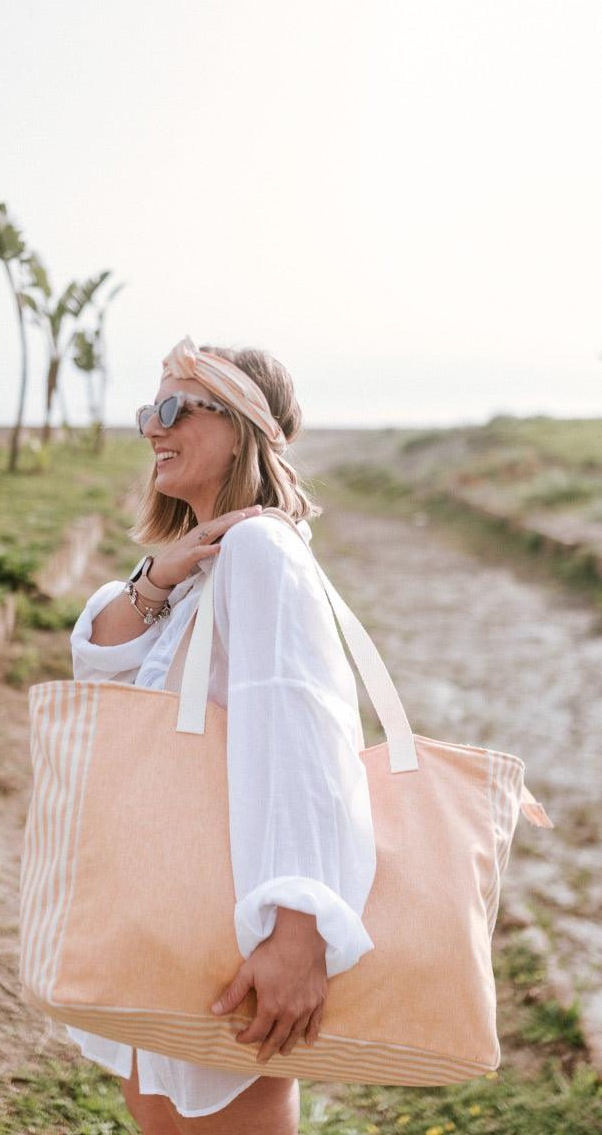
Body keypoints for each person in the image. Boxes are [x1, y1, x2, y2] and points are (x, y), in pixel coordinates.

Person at [62, 336, 377, 1133]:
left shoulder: (262, 552)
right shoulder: (208, 561)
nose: (152, 427)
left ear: (238, 429)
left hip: (233, 915)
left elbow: (301, 735)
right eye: (148, 409)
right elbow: (99, 667)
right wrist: (157, 574)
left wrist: (297, 929)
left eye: (173, 408)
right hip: (172, 907)